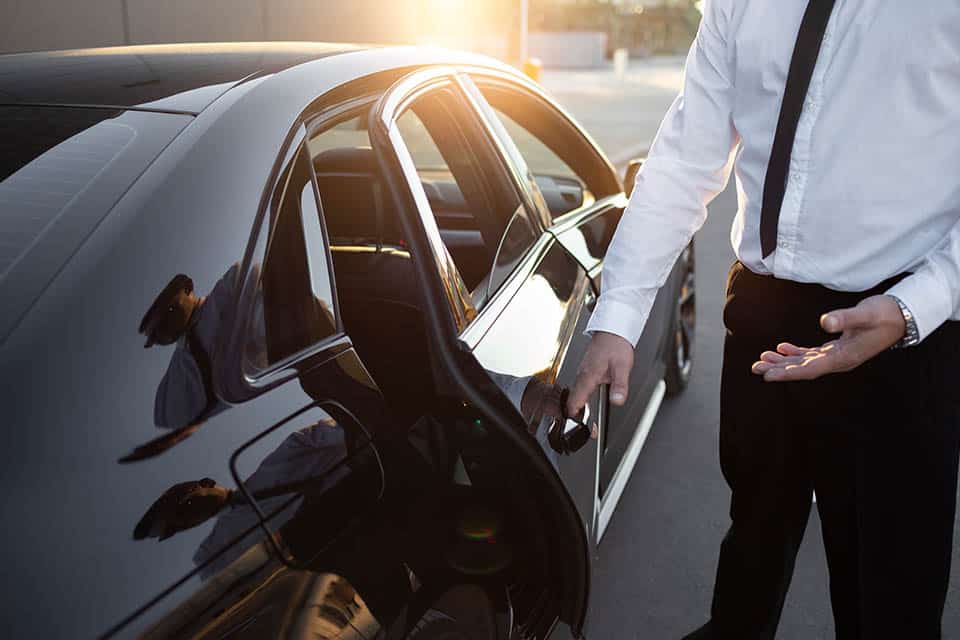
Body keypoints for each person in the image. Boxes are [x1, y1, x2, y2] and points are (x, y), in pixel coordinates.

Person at [567, 2, 960, 638]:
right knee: (754, 533)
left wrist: (918, 304)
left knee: (889, 596)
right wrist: (618, 317)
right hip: (764, 312)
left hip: (900, 334)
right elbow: (683, 161)